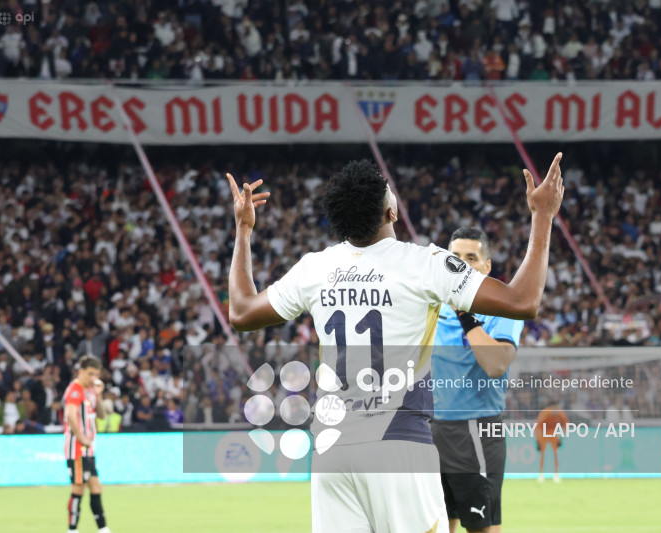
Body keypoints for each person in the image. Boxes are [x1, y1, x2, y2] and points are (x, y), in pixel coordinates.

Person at [227, 154, 564, 533]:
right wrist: (543, 214)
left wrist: (243, 230)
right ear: (391, 212)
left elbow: (240, 313)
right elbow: (523, 301)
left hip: (331, 451)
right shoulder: (426, 263)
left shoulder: (314, 269)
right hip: (399, 444)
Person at [430, 226, 525, 533]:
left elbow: (496, 364)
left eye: (471, 258)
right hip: (428, 430)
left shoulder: (502, 309)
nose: (461, 263)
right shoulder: (429, 307)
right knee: (433, 524)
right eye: (454, 257)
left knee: (481, 528)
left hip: (476, 431)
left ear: (486, 267)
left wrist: (465, 314)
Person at [62, 355, 112, 533]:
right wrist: (82, 437)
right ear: (80, 371)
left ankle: (103, 528)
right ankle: (73, 529)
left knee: (96, 486)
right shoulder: (75, 390)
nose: (93, 378)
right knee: (79, 488)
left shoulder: (91, 390)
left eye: (96, 374)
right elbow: (70, 415)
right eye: (90, 374)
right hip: (76, 448)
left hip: (88, 450)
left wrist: (98, 396)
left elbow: (102, 415)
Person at [535, 398, 568, 483]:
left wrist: (561, 436)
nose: (557, 409)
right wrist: (537, 439)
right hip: (544, 432)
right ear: (551, 407)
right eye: (555, 407)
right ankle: (541, 475)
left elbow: (566, 424)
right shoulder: (544, 413)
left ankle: (556, 475)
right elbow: (537, 426)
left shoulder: (560, 413)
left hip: (554, 432)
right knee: (543, 454)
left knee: (555, 454)